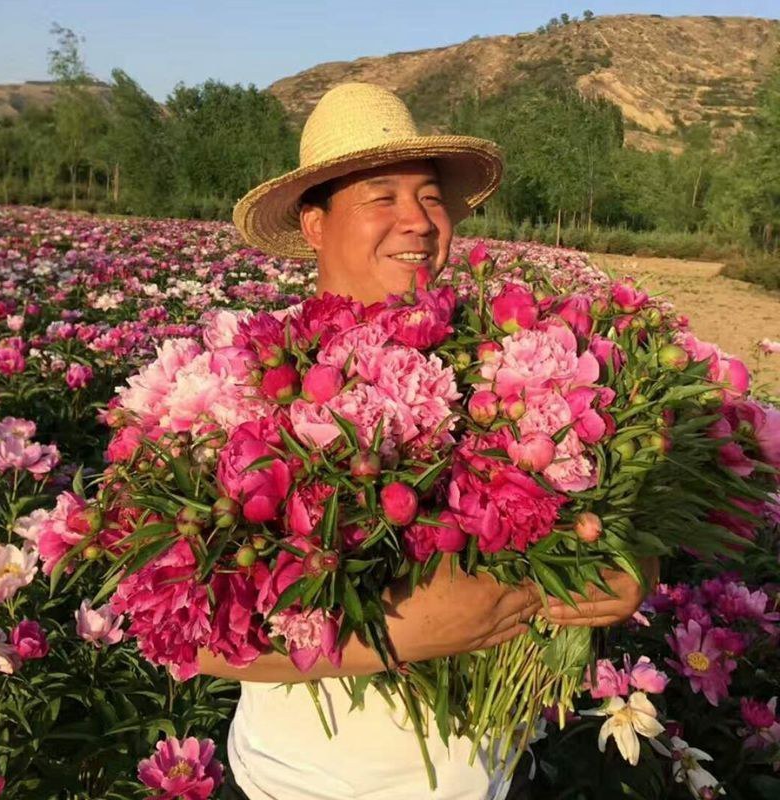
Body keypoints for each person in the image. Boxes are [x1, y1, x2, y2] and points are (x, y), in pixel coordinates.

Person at [199, 83, 654, 800]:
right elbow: (188, 642)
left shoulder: (503, 362)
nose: (417, 221)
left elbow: (607, 522)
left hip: (504, 780)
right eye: (381, 196)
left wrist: (632, 568)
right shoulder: (241, 380)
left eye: (433, 199)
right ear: (315, 224)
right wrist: (405, 634)